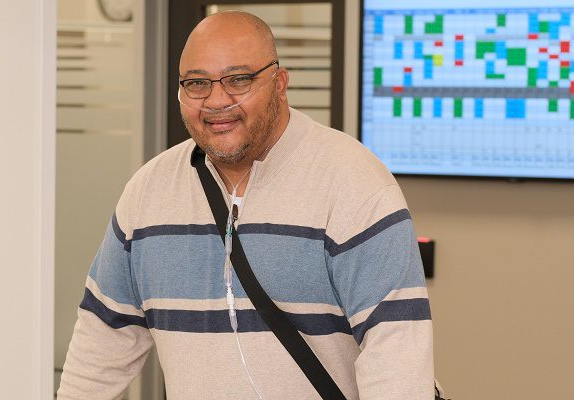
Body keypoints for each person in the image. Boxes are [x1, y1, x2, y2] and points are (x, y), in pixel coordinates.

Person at [58, 10, 434, 400]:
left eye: (239, 80)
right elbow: (101, 344)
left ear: (280, 82)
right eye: (197, 83)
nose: (217, 100)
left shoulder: (352, 182)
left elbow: (395, 352)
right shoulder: (148, 194)